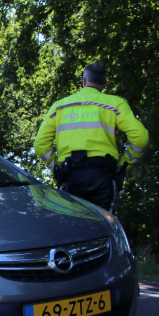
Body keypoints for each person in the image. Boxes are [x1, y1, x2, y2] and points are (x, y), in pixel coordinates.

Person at [34, 62, 149, 212]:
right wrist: (124, 164)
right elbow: (140, 138)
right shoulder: (115, 104)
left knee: (72, 230)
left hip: (70, 177)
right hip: (103, 176)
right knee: (103, 230)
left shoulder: (59, 107)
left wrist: (55, 166)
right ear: (105, 83)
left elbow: (40, 145)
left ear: (84, 80)